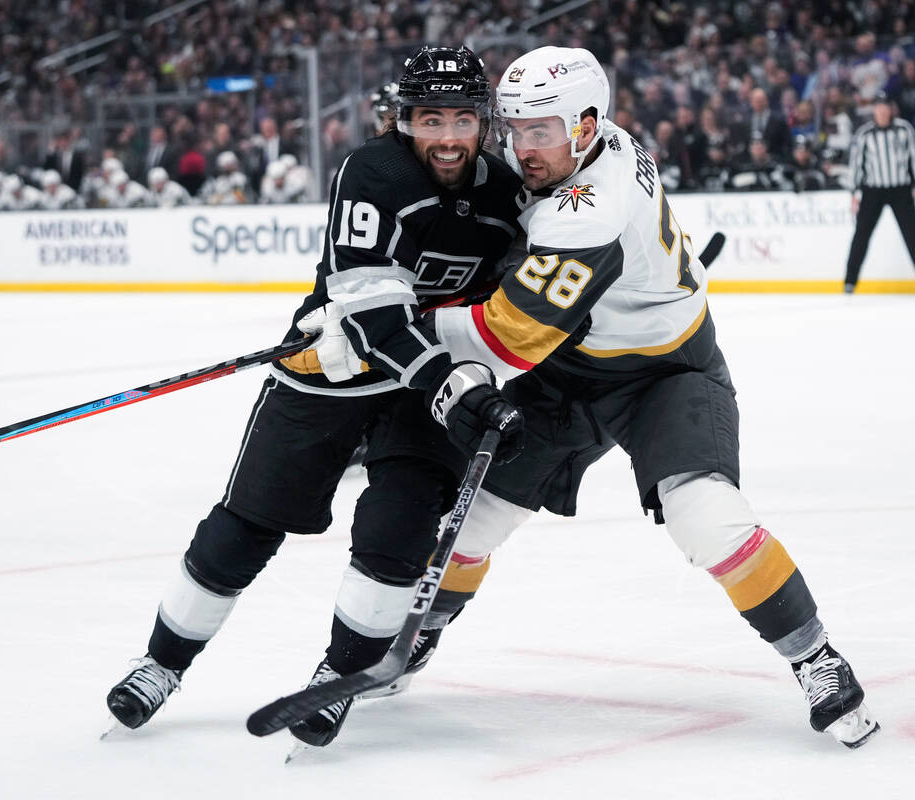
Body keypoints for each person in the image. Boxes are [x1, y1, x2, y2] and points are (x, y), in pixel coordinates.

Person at [310, 46, 881, 750]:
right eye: (515, 129)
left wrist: (392, 329)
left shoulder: (589, 209)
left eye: (540, 131)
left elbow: (509, 336)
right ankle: (421, 632)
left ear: (586, 125)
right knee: (471, 524)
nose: (523, 149)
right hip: (574, 368)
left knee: (706, 516)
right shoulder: (592, 148)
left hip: (665, 374)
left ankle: (816, 657)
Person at [104, 46, 526, 749]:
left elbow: (535, 287)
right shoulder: (373, 171)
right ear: (404, 119)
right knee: (245, 525)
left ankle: (337, 676)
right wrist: (453, 385)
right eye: (430, 119)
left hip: (432, 386)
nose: (448, 136)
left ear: (483, 121)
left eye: (461, 118)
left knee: (397, 537)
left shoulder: (507, 191)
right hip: (336, 366)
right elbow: (375, 315)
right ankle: (160, 663)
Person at [844, 92, 915, 294]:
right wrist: (854, 192)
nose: (883, 111)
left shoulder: (904, 129)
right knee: (861, 236)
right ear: (875, 110)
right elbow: (856, 164)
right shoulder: (865, 134)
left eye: (886, 106)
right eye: (879, 107)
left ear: (891, 109)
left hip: (900, 189)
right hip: (873, 190)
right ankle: (849, 282)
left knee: (913, 236)